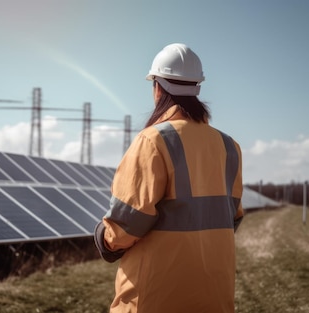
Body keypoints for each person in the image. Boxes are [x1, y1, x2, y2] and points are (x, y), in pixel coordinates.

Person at [94, 43, 244, 313]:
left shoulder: (153, 140)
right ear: (197, 88)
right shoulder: (229, 146)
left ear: (158, 87)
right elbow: (233, 217)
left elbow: (125, 225)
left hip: (154, 298)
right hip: (215, 297)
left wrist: (103, 239)